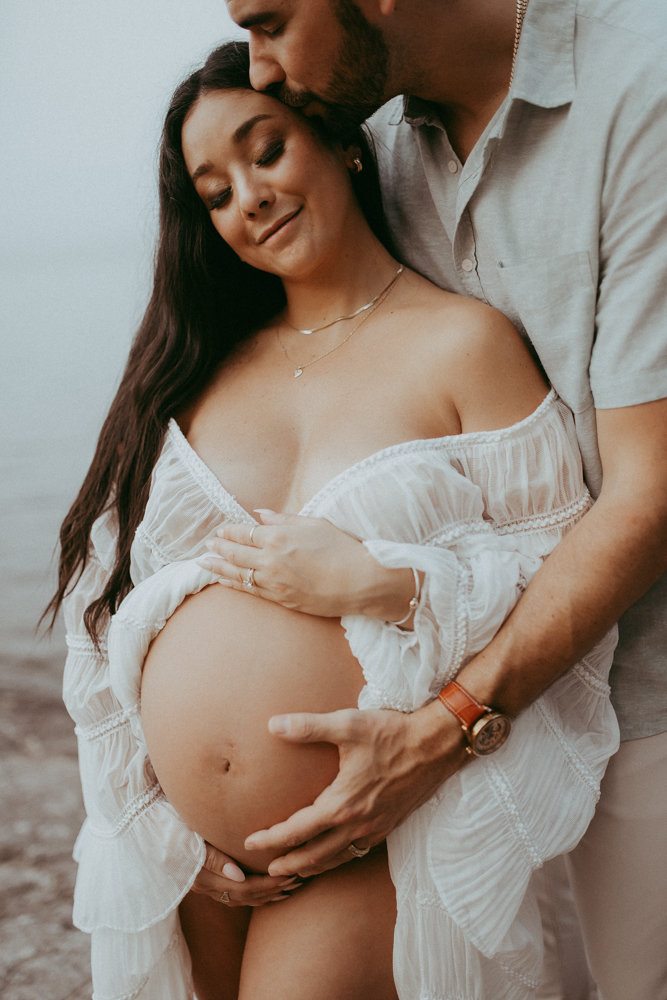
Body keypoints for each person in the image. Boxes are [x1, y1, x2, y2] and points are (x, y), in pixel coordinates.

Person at [51, 40, 620, 1000]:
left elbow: (567, 577)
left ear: (341, 145)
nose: (248, 198)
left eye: (263, 151)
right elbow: (103, 617)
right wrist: (150, 825)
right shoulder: (193, 372)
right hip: (188, 862)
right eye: (214, 191)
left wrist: (386, 586)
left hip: (367, 835)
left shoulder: (463, 344)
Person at [196, 2, 667, 998]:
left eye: (271, 20)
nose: (262, 67)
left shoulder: (643, 96)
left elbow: (650, 492)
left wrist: (444, 728)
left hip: (643, 704)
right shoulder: (371, 140)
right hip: (443, 740)